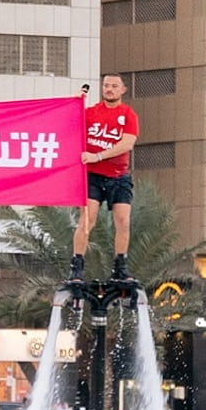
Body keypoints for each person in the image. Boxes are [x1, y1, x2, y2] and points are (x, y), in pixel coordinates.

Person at [71, 73, 139, 282]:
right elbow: (70, 124)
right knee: (87, 220)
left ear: (122, 90)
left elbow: (127, 144)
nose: (109, 89)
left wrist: (98, 155)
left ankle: (120, 266)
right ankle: (77, 265)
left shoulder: (128, 115)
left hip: (119, 176)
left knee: (123, 221)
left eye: (114, 86)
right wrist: (74, 104)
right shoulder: (91, 113)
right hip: (92, 175)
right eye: (106, 85)